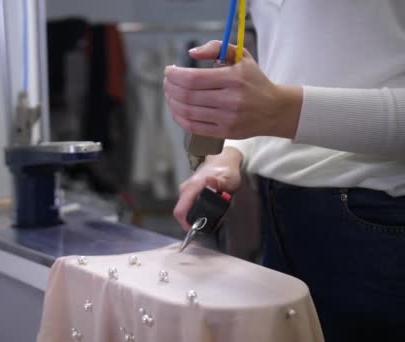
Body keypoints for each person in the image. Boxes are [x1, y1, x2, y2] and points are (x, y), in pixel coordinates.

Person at [163, 0, 405, 341]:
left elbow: (282, 101)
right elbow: (286, 70)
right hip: (277, 212)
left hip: (377, 220)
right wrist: (230, 151)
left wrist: (278, 111)